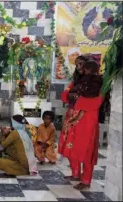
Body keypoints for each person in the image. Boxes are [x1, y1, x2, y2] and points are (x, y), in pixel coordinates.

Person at [58, 55, 103, 190]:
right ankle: (75, 173)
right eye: (77, 64)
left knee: (86, 149)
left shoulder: (99, 82)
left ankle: (86, 180)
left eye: (81, 65)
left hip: (87, 120)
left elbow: (96, 101)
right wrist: (74, 96)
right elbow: (65, 96)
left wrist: (76, 99)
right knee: (71, 146)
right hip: (72, 118)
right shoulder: (78, 80)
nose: (79, 68)